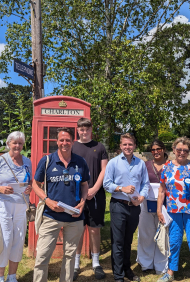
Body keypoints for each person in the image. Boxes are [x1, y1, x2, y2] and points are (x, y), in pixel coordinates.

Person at [32, 127, 90, 282]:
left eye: (68, 140)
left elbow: (84, 185)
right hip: (51, 216)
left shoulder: (80, 161)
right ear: (57, 142)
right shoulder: (47, 161)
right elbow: (35, 184)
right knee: (42, 256)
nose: (65, 143)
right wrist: (47, 200)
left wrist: (83, 202)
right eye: (61, 140)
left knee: (70, 256)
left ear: (72, 142)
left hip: (74, 217)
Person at [157, 137, 190, 282]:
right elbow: (162, 191)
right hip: (173, 211)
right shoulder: (166, 167)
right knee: (174, 242)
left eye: (185, 150)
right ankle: (170, 273)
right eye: (178, 149)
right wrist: (159, 210)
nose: (181, 152)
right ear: (173, 150)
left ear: (189, 152)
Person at [0, 131, 32, 282]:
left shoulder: (27, 162)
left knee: (18, 240)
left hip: (21, 204)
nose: (17, 146)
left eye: (20, 143)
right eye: (14, 143)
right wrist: (1, 189)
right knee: (4, 239)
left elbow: (29, 182)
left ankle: (12, 276)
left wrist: (29, 188)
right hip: (3, 204)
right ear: (8, 144)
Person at [103, 133, 150, 282]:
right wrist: (121, 188)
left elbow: (145, 184)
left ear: (134, 146)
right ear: (120, 146)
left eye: (130, 144)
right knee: (117, 241)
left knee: (128, 240)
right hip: (118, 205)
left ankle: (127, 268)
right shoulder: (113, 163)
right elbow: (106, 183)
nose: (127, 147)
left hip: (134, 207)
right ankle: (118, 276)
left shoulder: (141, 163)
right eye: (125, 144)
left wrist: (142, 197)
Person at [72, 118, 108, 280]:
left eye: (87, 129)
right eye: (81, 129)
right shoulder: (72, 146)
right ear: (77, 130)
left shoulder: (99, 147)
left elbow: (104, 169)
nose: (84, 132)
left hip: (95, 194)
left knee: (94, 229)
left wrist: (94, 188)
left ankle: (96, 263)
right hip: (76, 195)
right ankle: (76, 264)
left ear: (91, 129)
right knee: (77, 229)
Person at [136, 139, 168, 274]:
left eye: (158, 149)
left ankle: (162, 266)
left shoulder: (171, 165)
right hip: (146, 202)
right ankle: (146, 263)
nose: (156, 152)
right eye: (153, 150)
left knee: (163, 234)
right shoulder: (145, 165)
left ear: (163, 149)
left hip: (166, 203)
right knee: (145, 233)